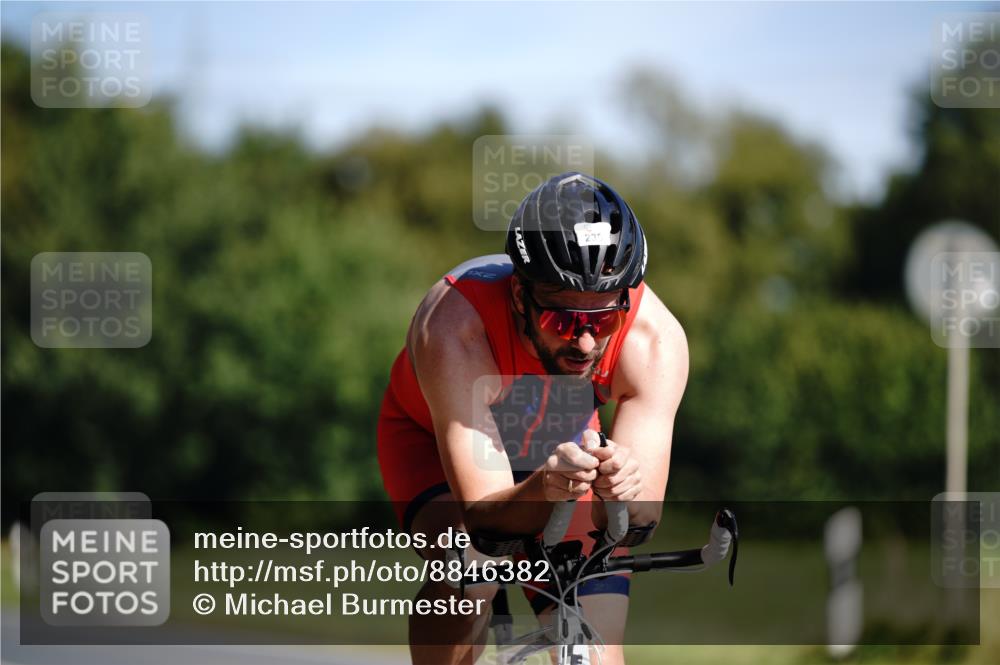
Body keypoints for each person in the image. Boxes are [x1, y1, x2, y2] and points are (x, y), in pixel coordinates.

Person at [377, 172, 689, 664]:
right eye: (562, 320)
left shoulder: (654, 341)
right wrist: (544, 488)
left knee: (596, 647)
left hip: (562, 453)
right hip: (435, 444)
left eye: (603, 320)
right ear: (521, 297)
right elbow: (484, 517)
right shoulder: (456, 326)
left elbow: (637, 523)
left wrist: (624, 491)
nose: (585, 342)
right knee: (470, 572)